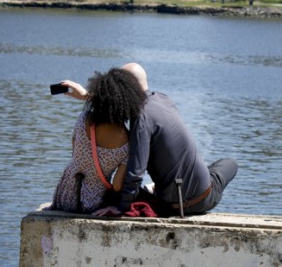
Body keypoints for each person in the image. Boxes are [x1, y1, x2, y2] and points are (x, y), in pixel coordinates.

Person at [62, 62, 237, 217]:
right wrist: (88, 96)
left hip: (180, 204)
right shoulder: (163, 99)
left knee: (223, 166)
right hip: (201, 193)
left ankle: (159, 186)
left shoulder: (142, 118)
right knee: (230, 163)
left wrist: (121, 207)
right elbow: (119, 104)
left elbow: (136, 172)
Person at [49, 67, 147, 213]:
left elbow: (74, 149)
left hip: (65, 195)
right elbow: (117, 185)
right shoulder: (127, 143)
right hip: (93, 202)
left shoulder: (84, 119)